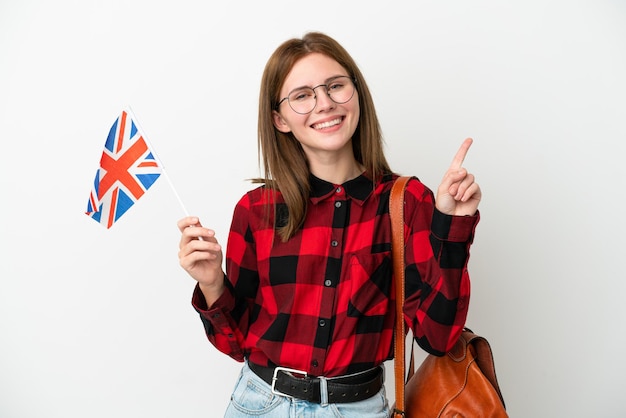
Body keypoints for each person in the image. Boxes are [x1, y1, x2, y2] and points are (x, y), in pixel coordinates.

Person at [177, 31, 481, 417]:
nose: (324, 104)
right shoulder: (258, 210)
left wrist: (452, 228)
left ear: (356, 95)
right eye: (302, 95)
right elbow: (237, 343)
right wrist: (212, 283)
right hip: (259, 404)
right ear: (280, 119)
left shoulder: (408, 203)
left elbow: (437, 339)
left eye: (335, 86)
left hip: (357, 408)